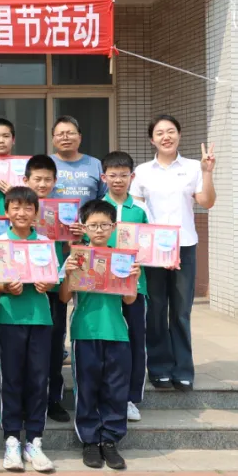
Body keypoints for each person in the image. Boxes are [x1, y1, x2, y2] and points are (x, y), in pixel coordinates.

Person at [131, 115, 216, 392]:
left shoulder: (193, 167)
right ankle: (159, 368)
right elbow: (137, 211)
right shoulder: (142, 171)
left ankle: (183, 369)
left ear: (179, 135)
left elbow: (207, 202)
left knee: (181, 311)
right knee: (156, 309)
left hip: (184, 246)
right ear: (151, 139)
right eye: (159, 133)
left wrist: (207, 172)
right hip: (153, 249)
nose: (166, 137)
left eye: (171, 131)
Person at [59, 199, 141, 470]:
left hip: (117, 332)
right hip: (85, 332)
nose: (99, 230)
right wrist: (69, 274)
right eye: (93, 225)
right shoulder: (76, 257)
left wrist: (132, 277)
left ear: (113, 227)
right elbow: (64, 298)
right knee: (87, 387)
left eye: (104, 225)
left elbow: (129, 300)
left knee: (115, 388)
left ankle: (110, 440)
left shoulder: (123, 259)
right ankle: (90, 441)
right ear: (83, 227)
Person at [0, 186, 60, 473]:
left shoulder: (44, 243)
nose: (22, 212)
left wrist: (47, 284)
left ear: (36, 213)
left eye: (28, 208)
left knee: (39, 379)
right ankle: (12, 439)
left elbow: (53, 277)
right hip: (9, 318)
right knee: (12, 378)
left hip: (40, 318)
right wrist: (5, 287)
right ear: (6, 211)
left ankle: (35, 440)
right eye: (15, 207)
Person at [99, 151, 150, 422]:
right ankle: (104, 393)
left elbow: (151, 245)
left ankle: (130, 398)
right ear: (103, 177)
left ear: (132, 177)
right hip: (101, 286)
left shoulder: (141, 210)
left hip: (134, 285)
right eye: (112, 175)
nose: (118, 180)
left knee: (135, 341)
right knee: (104, 341)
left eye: (123, 175)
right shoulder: (96, 207)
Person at [23, 154, 73, 425]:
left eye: (47, 179)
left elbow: (71, 248)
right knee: (24, 345)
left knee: (54, 342)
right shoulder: (18, 209)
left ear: (55, 181)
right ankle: (26, 399)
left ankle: (53, 398)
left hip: (53, 286)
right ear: (26, 180)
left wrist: (76, 235)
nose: (42, 184)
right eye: (37, 179)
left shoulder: (64, 210)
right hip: (21, 287)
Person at [50, 116, 106, 207]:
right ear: (53, 139)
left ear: (80, 137)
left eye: (70, 133)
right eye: (60, 134)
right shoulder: (44, 163)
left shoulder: (95, 164)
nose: (65, 137)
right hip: (51, 216)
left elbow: (104, 197)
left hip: (88, 216)